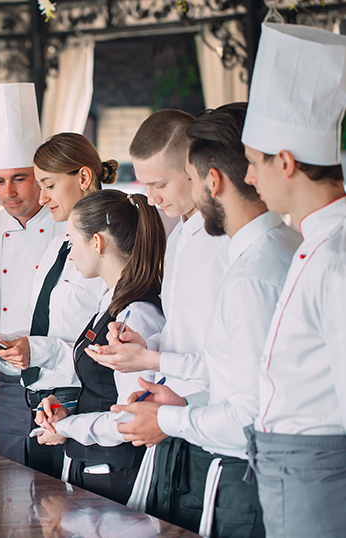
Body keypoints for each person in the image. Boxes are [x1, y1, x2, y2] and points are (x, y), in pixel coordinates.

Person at [109, 103, 300, 537]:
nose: (152, 197)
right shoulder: (190, 237)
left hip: (227, 442)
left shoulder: (243, 262)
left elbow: (247, 400)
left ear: (206, 177)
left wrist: (168, 409)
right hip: (195, 418)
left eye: (164, 183)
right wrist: (150, 356)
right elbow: (216, 351)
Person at [84, 109, 229, 517]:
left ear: (195, 169)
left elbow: (228, 353)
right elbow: (186, 329)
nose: (150, 198)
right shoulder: (181, 233)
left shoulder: (225, 242)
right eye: (144, 183)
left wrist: (154, 362)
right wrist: (146, 344)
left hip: (210, 420)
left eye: (159, 184)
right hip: (174, 416)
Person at [240, 22, 346, 538]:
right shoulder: (314, 241)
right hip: (292, 468)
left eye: (254, 163)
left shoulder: (337, 257)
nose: (250, 178)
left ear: (286, 162)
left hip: (321, 472)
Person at [0, 133, 111, 479]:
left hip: (84, 405)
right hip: (46, 404)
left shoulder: (110, 243)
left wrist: (36, 350)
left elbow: (106, 344)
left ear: (84, 178)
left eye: (46, 184)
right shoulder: (60, 245)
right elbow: (50, 324)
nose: (42, 197)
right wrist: (2, 341)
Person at [33, 189, 166, 504]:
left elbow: (132, 417)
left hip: (118, 474)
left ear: (97, 242)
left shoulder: (138, 317)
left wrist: (68, 426)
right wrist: (67, 412)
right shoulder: (110, 303)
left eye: (72, 241)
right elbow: (103, 390)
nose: (70, 253)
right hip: (94, 465)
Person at [0, 83, 62, 464]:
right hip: (4, 386)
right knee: (5, 490)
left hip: (61, 381)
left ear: (40, 174)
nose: (9, 192)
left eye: (20, 178)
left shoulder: (68, 226)